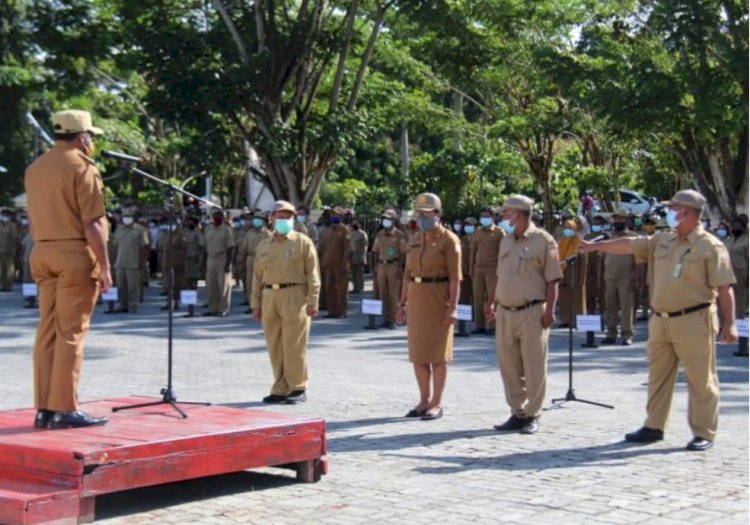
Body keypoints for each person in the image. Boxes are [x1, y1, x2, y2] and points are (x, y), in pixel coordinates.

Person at [581, 190, 737, 451]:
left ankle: (703, 432)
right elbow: (631, 245)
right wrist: (596, 246)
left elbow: (725, 287)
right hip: (661, 319)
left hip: (694, 318)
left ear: (685, 212)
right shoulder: (665, 239)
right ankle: (654, 426)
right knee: (658, 376)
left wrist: (730, 323)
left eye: (673, 208)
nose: (669, 212)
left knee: (701, 379)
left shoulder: (709, 245)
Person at [24, 109, 111, 429]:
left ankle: (44, 409)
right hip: (74, 252)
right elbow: (92, 222)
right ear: (82, 136)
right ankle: (65, 408)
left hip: (42, 251)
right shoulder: (82, 167)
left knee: (47, 330)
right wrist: (105, 265)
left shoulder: (35, 168)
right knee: (71, 332)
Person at [487, 195, 563, 435]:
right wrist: (492, 302)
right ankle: (517, 412)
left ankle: (533, 414)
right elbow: (501, 276)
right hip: (505, 312)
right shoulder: (506, 240)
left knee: (533, 365)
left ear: (517, 215)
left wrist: (550, 310)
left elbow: (553, 280)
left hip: (532, 311)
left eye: (506, 213)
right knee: (508, 365)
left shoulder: (544, 241)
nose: (503, 217)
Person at [396, 192, 461, 421]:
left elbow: (455, 278)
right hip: (416, 298)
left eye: (427, 213)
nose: (423, 217)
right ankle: (423, 400)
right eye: (420, 213)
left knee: (438, 355)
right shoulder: (414, 238)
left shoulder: (449, 241)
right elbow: (407, 274)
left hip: (438, 296)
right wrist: (401, 303)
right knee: (419, 354)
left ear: (438, 214)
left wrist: (453, 307)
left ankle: (436, 402)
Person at [252, 200, 320, 404]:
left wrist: (313, 301)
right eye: (279, 217)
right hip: (269, 296)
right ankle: (280, 387)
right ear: (271, 219)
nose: (283, 220)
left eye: (288, 217)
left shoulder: (302, 242)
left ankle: (298, 387)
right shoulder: (264, 245)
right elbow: (256, 277)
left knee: (294, 345)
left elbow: (313, 275)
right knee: (275, 344)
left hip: (295, 295)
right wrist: (255, 304)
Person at [602, 209, 639, 345]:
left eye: (620, 218)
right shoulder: (608, 236)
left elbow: (639, 259)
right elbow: (602, 257)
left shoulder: (633, 237)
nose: (617, 221)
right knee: (610, 306)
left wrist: (636, 277)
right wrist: (601, 277)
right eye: (615, 218)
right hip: (609, 276)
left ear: (626, 220)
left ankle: (627, 334)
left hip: (627, 277)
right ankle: (610, 333)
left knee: (626, 306)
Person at [470, 207, 503, 335]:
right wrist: (471, 269)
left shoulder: (499, 232)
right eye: (482, 216)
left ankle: (493, 325)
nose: (484, 219)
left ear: (492, 217)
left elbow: (501, 253)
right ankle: (480, 325)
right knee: (477, 297)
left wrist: (500, 270)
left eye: (486, 216)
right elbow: (473, 251)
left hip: (493, 268)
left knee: (492, 297)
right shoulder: (477, 231)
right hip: (478, 268)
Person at [371, 210, 406, 328]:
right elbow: (375, 251)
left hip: (393, 265)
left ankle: (394, 319)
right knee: (383, 293)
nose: (385, 221)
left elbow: (403, 253)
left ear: (393, 220)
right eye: (384, 218)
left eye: (388, 219)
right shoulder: (380, 234)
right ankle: (385, 319)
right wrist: (375, 266)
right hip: (381, 265)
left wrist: (400, 267)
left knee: (394, 294)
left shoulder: (399, 235)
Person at [111, 210, 149, 313]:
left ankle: (133, 305)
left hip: (133, 262)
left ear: (133, 218)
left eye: (129, 216)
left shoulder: (140, 230)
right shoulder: (119, 230)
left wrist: (143, 262)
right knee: (120, 286)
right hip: (120, 262)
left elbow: (144, 247)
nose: (126, 218)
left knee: (133, 286)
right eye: (125, 216)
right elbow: (114, 246)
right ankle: (122, 305)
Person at [202, 209, 235, 316]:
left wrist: (229, 263)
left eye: (219, 216)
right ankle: (213, 308)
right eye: (215, 216)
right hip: (211, 257)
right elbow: (204, 246)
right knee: (211, 284)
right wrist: (203, 261)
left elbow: (231, 247)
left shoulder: (226, 230)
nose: (217, 218)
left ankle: (223, 308)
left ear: (223, 217)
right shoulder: (208, 229)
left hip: (222, 257)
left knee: (224, 284)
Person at [556, 218, 587, 327]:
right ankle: (565, 320)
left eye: (569, 227)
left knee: (577, 298)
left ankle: (578, 320)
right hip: (562, 273)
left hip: (574, 274)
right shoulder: (561, 242)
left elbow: (583, 261)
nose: (567, 229)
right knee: (564, 297)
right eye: (565, 227)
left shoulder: (579, 241)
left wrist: (581, 278)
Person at [322, 206, 351, 318]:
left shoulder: (344, 230)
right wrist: (325, 261)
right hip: (329, 264)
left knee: (341, 289)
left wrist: (345, 263)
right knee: (329, 287)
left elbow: (347, 249)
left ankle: (341, 310)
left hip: (340, 264)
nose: (333, 216)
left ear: (341, 216)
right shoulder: (329, 230)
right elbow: (325, 247)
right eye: (332, 214)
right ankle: (332, 310)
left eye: (336, 215)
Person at [242, 211, 272, 313]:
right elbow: (244, 247)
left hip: (263, 259)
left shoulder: (268, 234)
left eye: (258, 218)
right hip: (250, 258)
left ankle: (263, 305)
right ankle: (253, 305)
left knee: (262, 283)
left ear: (263, 221)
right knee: (250, 282)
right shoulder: (250, 233)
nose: (256, 220)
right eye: (255, 218)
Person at [158, 218, 187, 310]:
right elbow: (161, 248)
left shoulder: (181, 234)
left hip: (177, 262)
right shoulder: (166, 234)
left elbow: (185, 247)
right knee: (167, 284)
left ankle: (176, 303)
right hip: (166, 262)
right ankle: (169, 303)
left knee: (177, 284)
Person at [184, 216, 203, 291]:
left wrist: (198, 255)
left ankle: (193, 296)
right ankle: (188, 298)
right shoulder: (187, 232)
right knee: (187, 277)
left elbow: (201, 245)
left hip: (194, 257)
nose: (189, 223)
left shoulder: (197, 233)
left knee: (194, 278)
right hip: (186, 256)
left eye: (191, 222)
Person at [0, 210, 18, 291]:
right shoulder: (1, 225)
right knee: (2, 269)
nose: (2, 216)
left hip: (9, 251)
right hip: (1, 250)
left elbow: (14, 239)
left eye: (4, 215)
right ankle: (3, 285)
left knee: (9, 269)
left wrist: (12, 250)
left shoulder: (12, 226)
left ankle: (8, 285)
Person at [350, 221, 368, 294]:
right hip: (352, 256)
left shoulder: (362, 234)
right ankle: (355, 287)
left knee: (359, 273)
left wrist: (363, 255)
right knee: (353, 273)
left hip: (359, 255)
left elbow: (365, 245)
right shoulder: (351, 234)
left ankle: (360, 288)